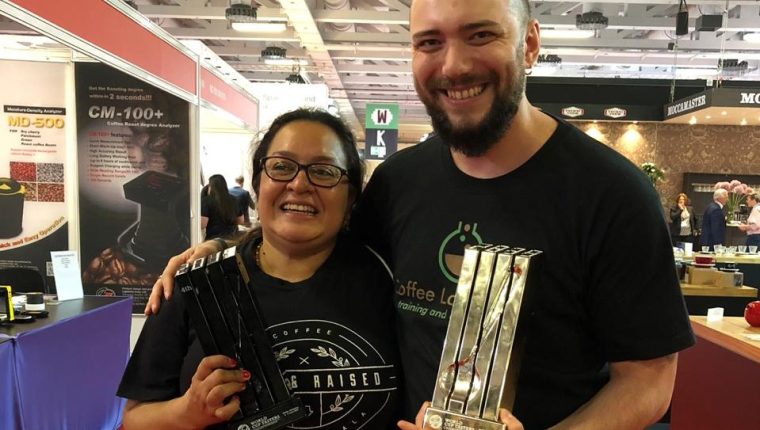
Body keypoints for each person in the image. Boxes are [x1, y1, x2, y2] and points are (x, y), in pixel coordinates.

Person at [147, 1, 695, 428]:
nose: (453, 65)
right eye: (430, 42)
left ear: (529, 44)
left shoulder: (611, 194)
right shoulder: (399, 182)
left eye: (480, 35)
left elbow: (649, 381)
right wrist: (221, 250)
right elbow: (315, 246)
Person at [120, 108, 402, 429]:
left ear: (351, 196)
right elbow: (135, 418)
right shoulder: (198, 283)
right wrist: (188, 411)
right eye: (281, 166)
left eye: (324, 171)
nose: (299, 184)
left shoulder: (387, 281)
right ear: (258, 183)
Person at [201, 174, 243, 240]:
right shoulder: (234, 200)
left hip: (214, 240)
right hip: (232, 239)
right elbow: (241, 221)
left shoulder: (206, 201)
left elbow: (203, 224)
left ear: (211, 187)